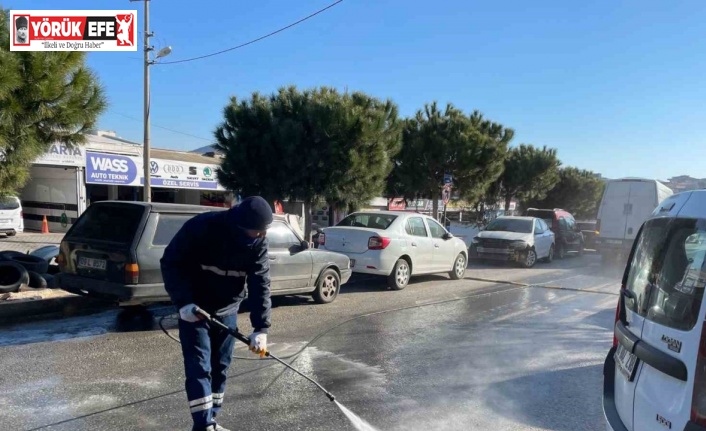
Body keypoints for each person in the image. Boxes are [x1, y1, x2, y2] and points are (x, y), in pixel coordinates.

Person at [161, 196, 274, 431]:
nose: (262, 236)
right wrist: (183, 303)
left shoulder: (258, 243)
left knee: (221, 366)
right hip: (195, 309)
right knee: (199, 367)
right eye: (258, 231)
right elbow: (171, 262)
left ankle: (211, 419)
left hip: (228, 309)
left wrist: (261, 328)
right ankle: (203, 425)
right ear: (241, 226)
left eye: (264, 231)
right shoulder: (203, 227)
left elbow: (260, 282)